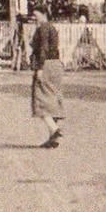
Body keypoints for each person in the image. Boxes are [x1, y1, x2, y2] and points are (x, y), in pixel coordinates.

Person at [29, 9, 65, 148]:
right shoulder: (52, 28)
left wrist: (39, 68)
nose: (34, 17)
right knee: (54, 99)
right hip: (56, 65)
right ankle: (53, 139)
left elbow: (43, 48)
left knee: (40, 99)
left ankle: (54, 130)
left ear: (43, 14)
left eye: (35, 14)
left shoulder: (43, 28)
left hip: (46, 65)